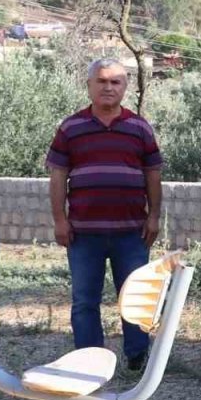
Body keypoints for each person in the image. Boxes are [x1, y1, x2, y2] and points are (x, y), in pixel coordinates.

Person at [46, 58, 163, 372]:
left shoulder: (140, 128)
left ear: (125, 87)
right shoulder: (70, 128)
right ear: (89, 85)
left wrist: (154, 217)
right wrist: (59, 219)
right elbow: (58, 176)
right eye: (102, 81)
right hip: (84, 233)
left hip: (132, 232)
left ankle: (137, 356)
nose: (108, 87)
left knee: (135, 297)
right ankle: (88, 361)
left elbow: (153, 175)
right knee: (85, 301)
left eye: (116, 82)